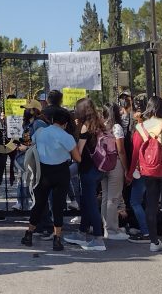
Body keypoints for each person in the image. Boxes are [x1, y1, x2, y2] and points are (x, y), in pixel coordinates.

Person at [22, 106, 81, 250]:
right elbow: (77, 158)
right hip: (61, 171)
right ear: (65, 123)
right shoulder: (67, 137)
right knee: (58, 206)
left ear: (52, 120)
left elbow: (31, 142)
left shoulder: (41, 132)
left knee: (39, 204)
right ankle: (57, 239)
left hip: (43, 171)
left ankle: (29, 234)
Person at [129, 96, 162, 253]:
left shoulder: (141, 127)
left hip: (148, 169)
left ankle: (153, 242)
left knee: (150, 204)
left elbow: (136, 151)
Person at [63, 98, 107, 251]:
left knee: (91, 204)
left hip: (88, 169)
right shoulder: (99, 123)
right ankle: (81, 232)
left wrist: (69, 148)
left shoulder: (85, 127)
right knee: (88, 201)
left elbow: (79, 154)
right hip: (99, 168)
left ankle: (98, 238)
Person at [101, 102, 129, 241]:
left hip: (102, 164)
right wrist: (126, 168)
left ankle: (106, 227)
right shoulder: (116, 127)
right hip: (115, 163)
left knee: (106, 197)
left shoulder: (101, 126)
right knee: (114, 197)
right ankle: (112, 230)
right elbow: (121, 150)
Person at [126, 96, 151, 243]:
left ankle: (146, 232)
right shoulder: (153, 127)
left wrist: (129, 174)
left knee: (135, 201)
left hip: (140, 170)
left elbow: (135, 153)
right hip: (154, 168)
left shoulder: (139, 131)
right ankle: (150, 230)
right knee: (148, 201)